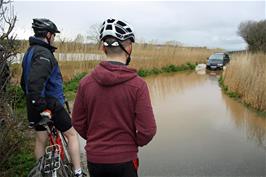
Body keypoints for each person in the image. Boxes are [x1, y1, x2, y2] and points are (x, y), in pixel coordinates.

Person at [72, 18, 157, 177]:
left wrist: (95, 140)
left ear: (104, 48)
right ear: (129, 48)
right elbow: (148, 130)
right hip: (125, 160)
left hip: (95, 159)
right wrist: (132, 143)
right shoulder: (138, 85)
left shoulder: (85, 83)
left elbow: (77, 121)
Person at [20, 18, 85, 177]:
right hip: (49, 105)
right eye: (53, 35)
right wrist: (43, 108)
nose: (54, 38)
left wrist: (33, 103)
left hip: (33, 104)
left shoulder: (30, 51)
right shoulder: (44, 53)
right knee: (71, 135)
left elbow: (24, 82)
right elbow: (35, 83)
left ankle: (40, 172)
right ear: (48, 35)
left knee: (41, 139)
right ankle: (78, 172)